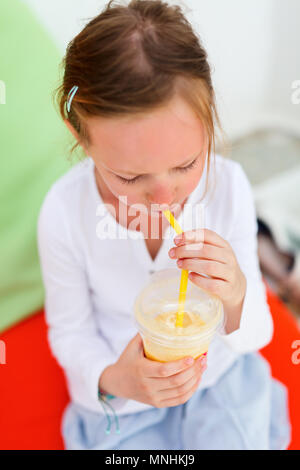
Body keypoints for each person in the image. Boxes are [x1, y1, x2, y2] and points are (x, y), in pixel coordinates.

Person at [37, 0, 290, 450]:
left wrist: (235, 297)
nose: (163, 197)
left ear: (209, 121)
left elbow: (257, 335)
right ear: (79, 134)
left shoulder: (228, 187)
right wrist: (117, 378)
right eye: (130, 177)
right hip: (128, 393)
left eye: (186, 163)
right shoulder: (64, 212)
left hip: (220, 381)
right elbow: (70, 332)